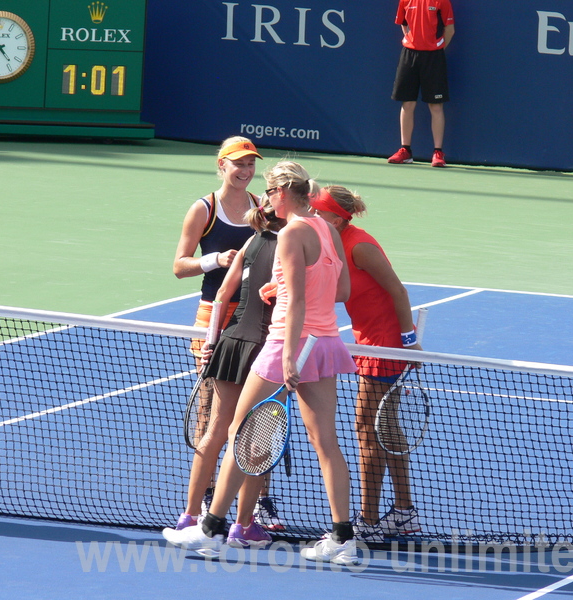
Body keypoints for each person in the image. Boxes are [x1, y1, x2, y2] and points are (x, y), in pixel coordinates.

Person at [163, 161, 360, 565]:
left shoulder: (291, 233)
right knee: (326, 442)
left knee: (238, 429)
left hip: (287, 343)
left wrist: (288, 355)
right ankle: (343, 537)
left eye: (270, 192)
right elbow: (341, 290)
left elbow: (299, 302)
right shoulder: (327, 229)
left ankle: (211, 530)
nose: (266, 198)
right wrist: (283, 285)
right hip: (325, 343)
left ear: (282, 193)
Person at [165, 194, 287, 548]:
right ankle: (243, 525)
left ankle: (189, 516)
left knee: (217, 429)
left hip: (230, 340)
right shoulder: (293, 247)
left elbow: (222, 297)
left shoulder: (251, 241)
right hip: (266, 349)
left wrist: (211, 341)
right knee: (256, 439)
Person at [310, 186, 422, 543]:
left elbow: (398, 291)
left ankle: (369, 521)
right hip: (368, 340)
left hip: (385, 344)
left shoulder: (359, 245)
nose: (312, 216)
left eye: (318, 212)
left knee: (366, 429)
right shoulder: (331, 241)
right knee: (386, 427)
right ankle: (404, 513)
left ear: (337, 218)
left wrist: (408, 343)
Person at [172, 136, 261, 516]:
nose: (245, 171)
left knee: (256, 417)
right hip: (213, 319)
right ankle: (207, 494)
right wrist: (215, 260)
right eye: (238, 164)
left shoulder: (262, 207)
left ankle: (254, 503)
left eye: (250, 164)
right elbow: (179, 266)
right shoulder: (203, 209)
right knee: (210, 414)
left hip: (256, 321)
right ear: (221, 165)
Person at [387, 0, 455, 168]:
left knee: (436, 106)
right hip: (409, 55)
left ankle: (438, 152)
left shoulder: (442, 2)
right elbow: (404, 24)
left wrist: (436, 48)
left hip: (434, 57)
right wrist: (413, 42)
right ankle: (405, 151)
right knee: (407, 103)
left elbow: (450, 30)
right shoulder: (405, 1)